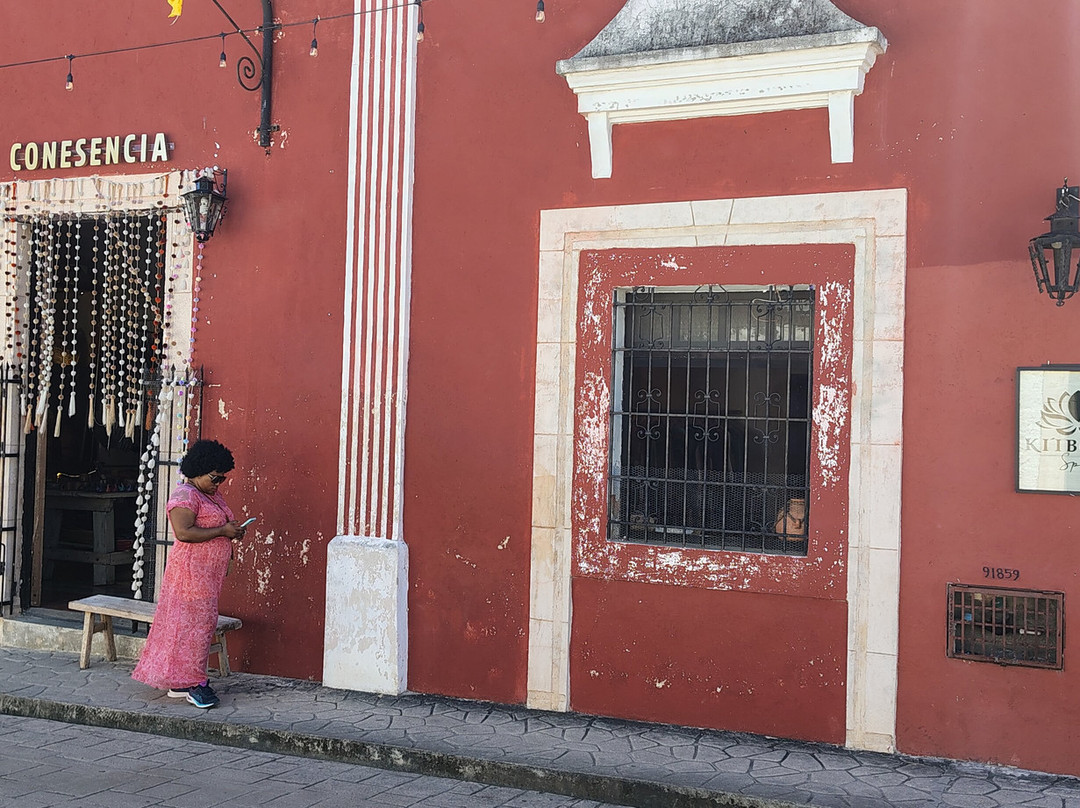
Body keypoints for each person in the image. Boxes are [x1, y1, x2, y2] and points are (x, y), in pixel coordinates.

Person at [132, 439, 247, 708]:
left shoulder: (210, 495)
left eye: (223, 478)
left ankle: (184, 680)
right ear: (198, 470)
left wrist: (233, 531)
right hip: (190, 576)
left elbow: (218, 524)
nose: (220, 483)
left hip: (207, 577)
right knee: (194, 628)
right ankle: (194, 683)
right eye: (215, 477)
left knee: (198, 627)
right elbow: (184, 533)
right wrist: (222, 531)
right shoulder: (185, 496)